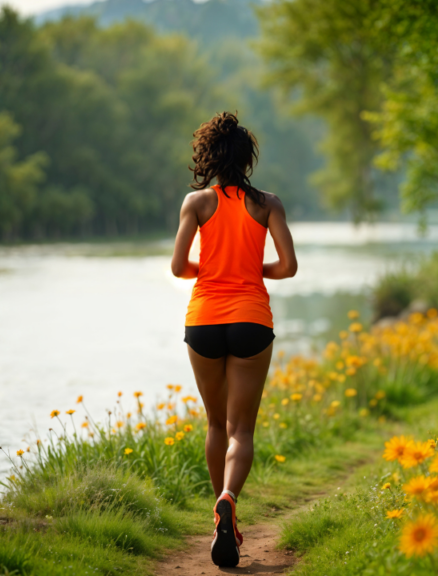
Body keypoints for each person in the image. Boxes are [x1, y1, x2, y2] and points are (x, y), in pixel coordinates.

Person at [170, 111, 297, 568]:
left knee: (215, 425)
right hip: (251, 321)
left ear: (208, 156)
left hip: (203, 320)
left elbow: (179, 267)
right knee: (241, 429)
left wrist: (216, 270)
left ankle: (220, 516)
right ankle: (229, 496)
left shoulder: (196, 203)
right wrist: (249, 270)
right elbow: (287, 267)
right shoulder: (268, 203)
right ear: (247, 159)